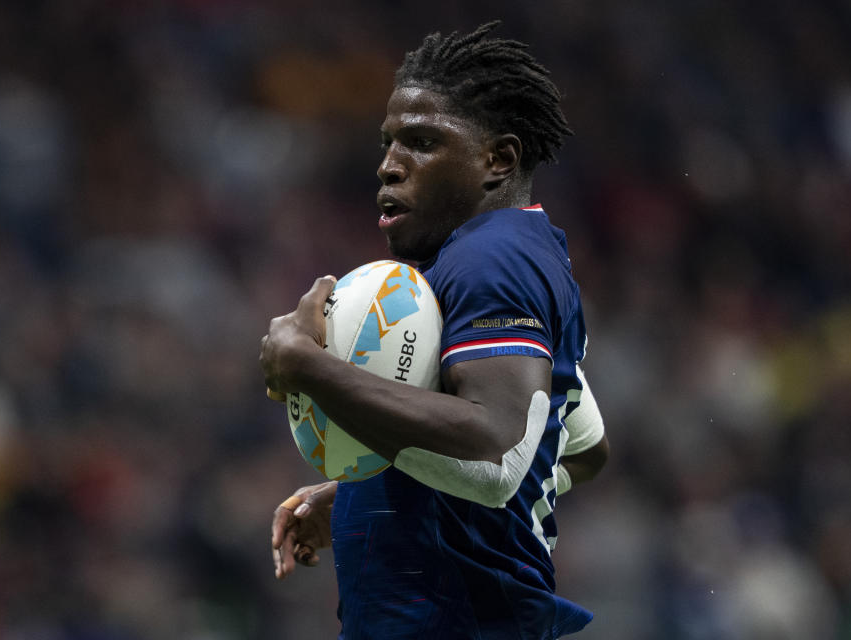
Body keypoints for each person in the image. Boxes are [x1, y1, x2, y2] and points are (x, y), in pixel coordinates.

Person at [260, 21, 610, 639]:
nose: (389, 167)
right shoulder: (492, 257)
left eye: (421, 142)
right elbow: (577, 443)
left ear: (497, 159)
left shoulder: (492, 257)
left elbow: (498, 455)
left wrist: (306, 364)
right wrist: (370, 491)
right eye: (389, 142)